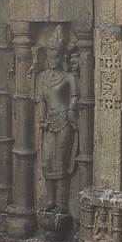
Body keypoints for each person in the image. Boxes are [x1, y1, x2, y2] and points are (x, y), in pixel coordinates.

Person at [38, 26, 79, 213]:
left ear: (62, 57)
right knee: (46, 161)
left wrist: (71, 108)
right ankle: (50, 200)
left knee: (61, 161)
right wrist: (41, 119)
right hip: (49, 121)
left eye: (55, 56)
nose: (51, 60)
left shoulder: (68, 77)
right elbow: (41, 101)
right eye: (49, 56)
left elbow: (75, 96)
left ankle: (62, 203)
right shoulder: (43, 77)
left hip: (64, 120)